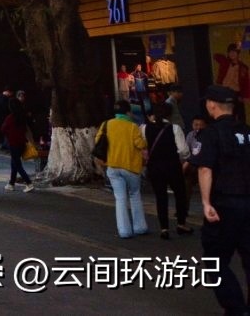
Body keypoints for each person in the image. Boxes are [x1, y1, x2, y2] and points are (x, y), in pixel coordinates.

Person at [190, 84, 250, 314]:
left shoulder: (211, 133)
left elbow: (205, 169)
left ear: (211, 105)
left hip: (224, 205)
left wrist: (205, 203)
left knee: (215, 261)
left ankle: (236, 308)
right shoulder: (247, 131)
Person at [94, 100, 148, 238]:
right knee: (134, 195)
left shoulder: (106, 124)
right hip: (131, 167)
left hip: (112, 166)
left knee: (120, 198)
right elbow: (140, 144)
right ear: (128, 112)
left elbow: (98, 141)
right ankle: (139, 227)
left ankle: (124, 231)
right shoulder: (132, 127)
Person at [144, 101, 192, 239]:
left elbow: (143, 146)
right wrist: (183, 158)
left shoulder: (144, 128)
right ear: (169, 114)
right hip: (172, 165)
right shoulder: (174, 128)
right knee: (180, 194)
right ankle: (181, 224)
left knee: (161, 197)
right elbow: (183, 150)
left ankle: (164, 228)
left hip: (154, 167)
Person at [1, 100, 34, 192]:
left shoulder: (10, 118)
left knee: (17, 164)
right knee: (14, 163)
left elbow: (3, 129)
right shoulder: (23, 117)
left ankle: (29, 183)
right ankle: (11, 183)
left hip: (13, 143)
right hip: (22, 143)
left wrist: (9, 134)